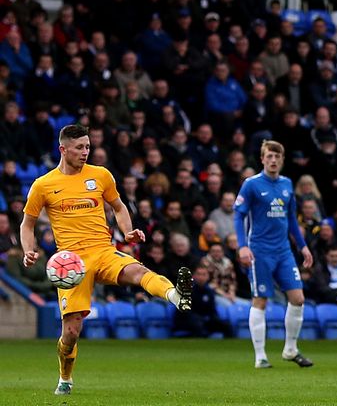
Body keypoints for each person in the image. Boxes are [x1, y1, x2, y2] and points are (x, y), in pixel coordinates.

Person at [19, 124, 192, 395]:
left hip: (103, 250)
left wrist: (128, 231)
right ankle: (65, 377)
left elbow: (119, 207)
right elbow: (27, 224)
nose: (86, 152)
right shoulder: (43, 185)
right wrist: (29, 250)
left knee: (136, 270)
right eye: (79, 147)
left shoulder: (101, 175)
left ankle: (175, 295)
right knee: (71, 334)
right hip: (71, 263)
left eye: (88, 146)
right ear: (63, 149)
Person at [234, 140, 314, 369]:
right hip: (260, 250)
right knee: (260, 300)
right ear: (262, 159)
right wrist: (242, 245)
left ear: (282, 159)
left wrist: (303, 246)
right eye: (269, 156)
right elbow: (239, 215)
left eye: (277, 156)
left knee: (298, 298)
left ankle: (290, 349)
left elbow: (291, 220)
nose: (273, 160)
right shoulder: (251, 185)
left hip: (284, 251)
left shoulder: (287, 184)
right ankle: (260, 356)